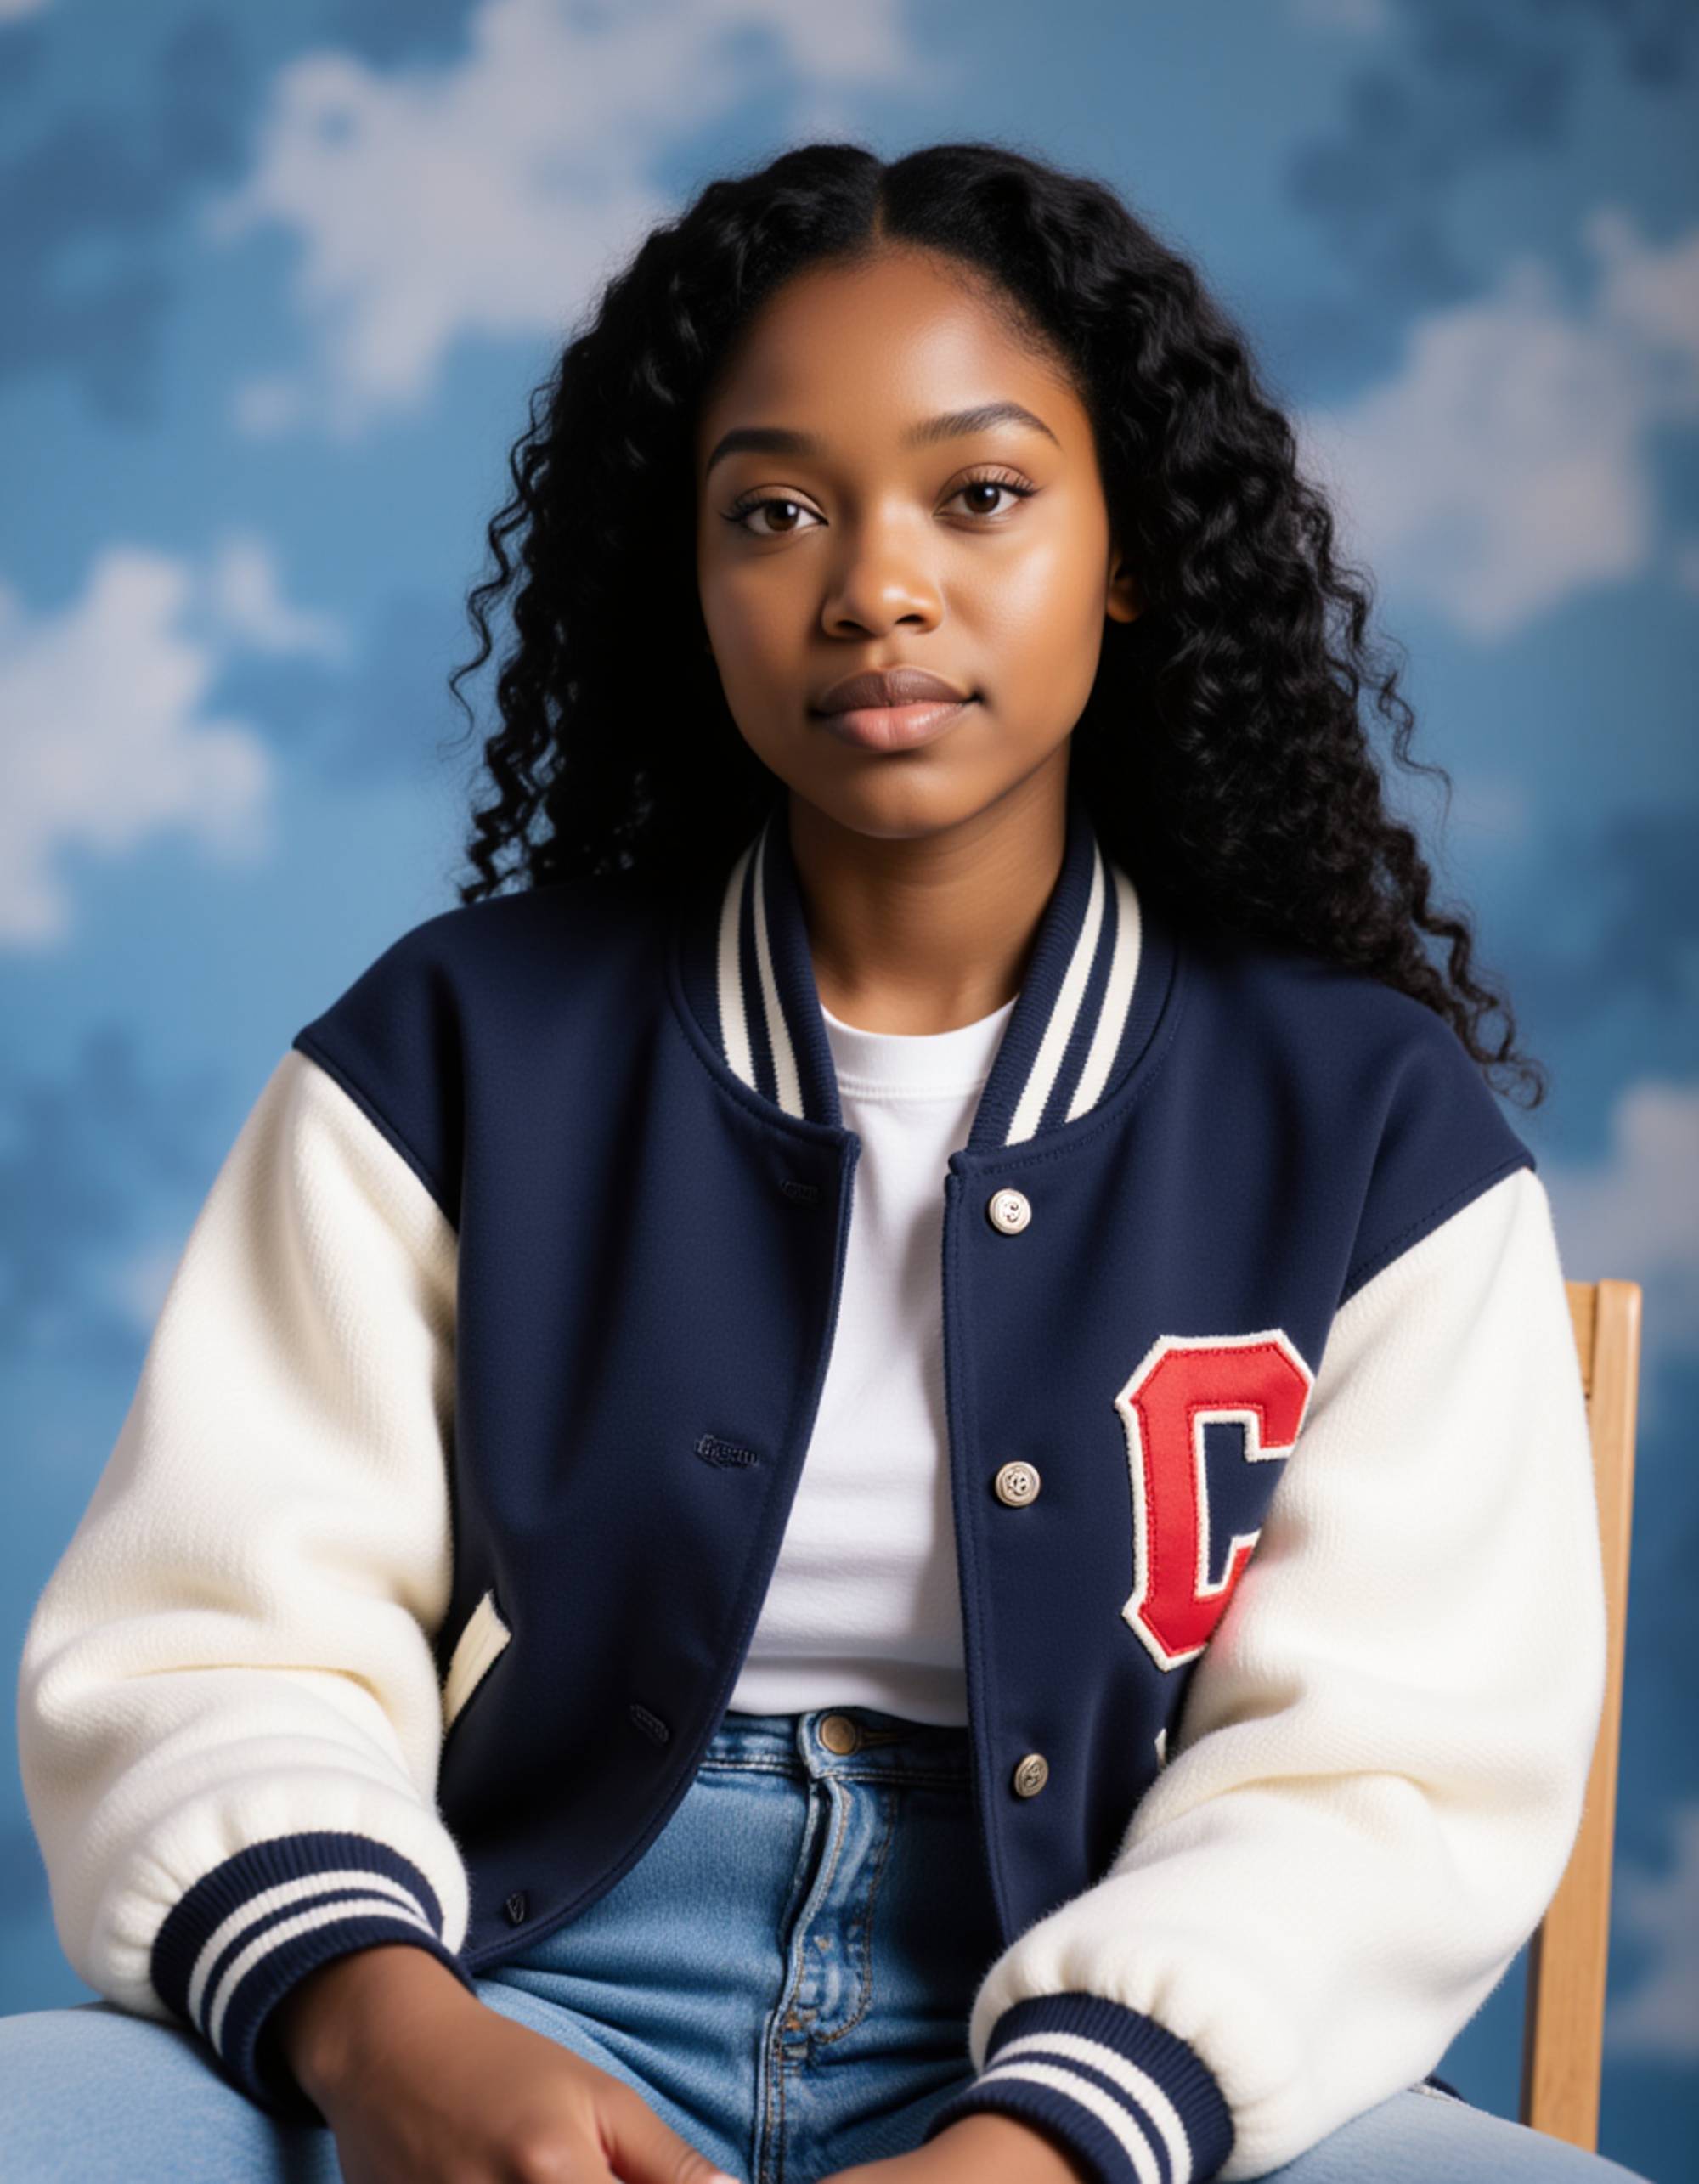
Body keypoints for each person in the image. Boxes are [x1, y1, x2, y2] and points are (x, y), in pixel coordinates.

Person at [3, 138, 1654, 2184]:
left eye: (980, 494)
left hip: (1116, 2012)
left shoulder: (1371, 1123)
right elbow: (217, 1628)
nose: (875, 583)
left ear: (1127, 546)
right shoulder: (450, 1047)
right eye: (773, 510)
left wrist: (1053, 2136)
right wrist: (385, 2031)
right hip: (507, 1970)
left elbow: (1386, 1765)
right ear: (685, 576)